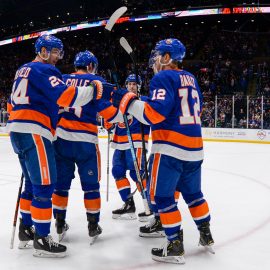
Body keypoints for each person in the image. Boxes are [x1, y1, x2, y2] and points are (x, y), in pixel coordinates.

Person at [7, 35, 112, 257]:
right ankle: (42, 239)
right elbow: (66, 97)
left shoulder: (22, 69)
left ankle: (26, 229)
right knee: (45, 186)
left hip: (17, 130)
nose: (57, 57)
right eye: (55, 52)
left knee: (31, 185)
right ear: (43, 50)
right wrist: (95, 88)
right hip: (37, 131)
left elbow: (12, 102)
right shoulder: (47, 71)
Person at [111, 38, 214, 264]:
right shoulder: (191, 78)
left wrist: (128, 102)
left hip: (169, 148)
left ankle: (174, 243)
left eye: (158, 55)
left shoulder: (163, 77)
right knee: (194, 195)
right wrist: (141, 100)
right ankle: (206, 234)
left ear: (167, 57)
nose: (155, 59)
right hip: (195, 149)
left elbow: (153, 115)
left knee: (162, 196)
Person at [52, 50, 118, 244]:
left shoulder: (62, 79)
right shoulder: (96, 81)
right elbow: (107, 111)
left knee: (60, 185)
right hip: (86, 142)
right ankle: (92, 224)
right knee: (91, 186)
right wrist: (120, 116)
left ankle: (59, 222)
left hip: (61, 140)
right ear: (91, 66)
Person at [105, 74, 151, 221]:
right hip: (119, 142)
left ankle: (151, 206)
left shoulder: (143, 101)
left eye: (135, 84)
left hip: (136, 142)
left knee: (137, 174)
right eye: (129, 84)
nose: (132, 86)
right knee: (117, 171)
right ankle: (128, 204)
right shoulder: (119, 101)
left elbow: (150, 118)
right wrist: (108, 123)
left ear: (139, 86)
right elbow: (111, 119)